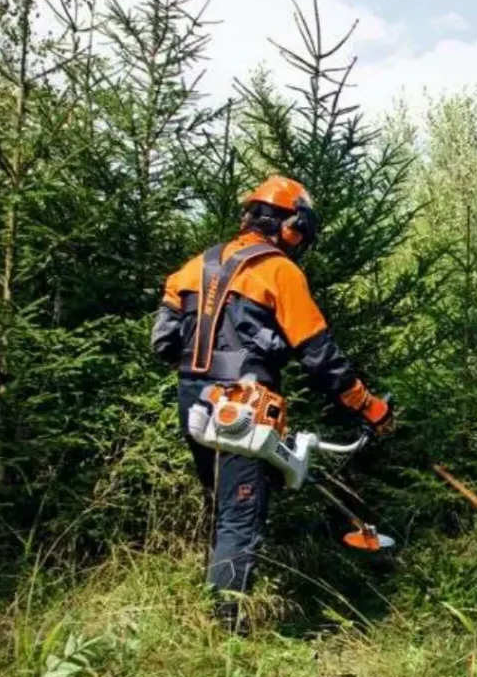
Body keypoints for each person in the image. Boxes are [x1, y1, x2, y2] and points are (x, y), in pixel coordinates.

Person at [150, 175, 393, 633]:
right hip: (244, 408)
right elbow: (320, 354)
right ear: (292, 225)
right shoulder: (280, 271)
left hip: (193, 402)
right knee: (240, 516)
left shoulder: (192, 267)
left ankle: (211, 610)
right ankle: (226, 635)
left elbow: (163, 343)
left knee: (221, 508)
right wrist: (366, 406)